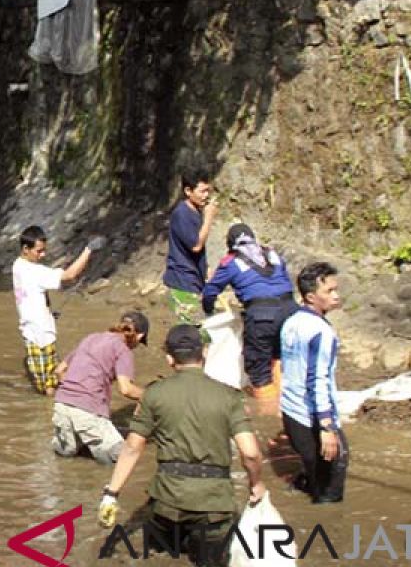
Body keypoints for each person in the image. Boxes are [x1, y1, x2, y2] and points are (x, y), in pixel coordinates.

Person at [97, 324, 267, 566]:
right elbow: (250, 454)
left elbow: (133, 448)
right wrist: (256, 484)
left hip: (166, 502)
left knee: (161, 557)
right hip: (214, 505)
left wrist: (111, 494)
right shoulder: (230, 397)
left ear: (169, 358)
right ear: (204, 352)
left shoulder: (153, 395)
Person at [200, 223, 297, 397]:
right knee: (283, 357)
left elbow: (210, 291)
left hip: (262, 315)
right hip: (291, 311)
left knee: (258, 365)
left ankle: (268, 411)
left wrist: (208, 311)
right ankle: (287, 400)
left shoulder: (230, 262)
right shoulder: (272, 253)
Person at [280, 261, 347, 504]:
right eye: (329, 291)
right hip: (311, 415)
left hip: (290, 411)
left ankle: (304, 483)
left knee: (313, 468)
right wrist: (327, 427)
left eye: (335, 289)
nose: (336, 296)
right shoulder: (321, 331)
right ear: (311, 296)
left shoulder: (291, 322)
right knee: (330, 489)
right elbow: (316, 380)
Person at [12, 226, 101, 395]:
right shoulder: (34, 271)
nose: (43, 255)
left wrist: (47, 313)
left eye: (44, 250)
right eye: (39, 251)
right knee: (47, 387)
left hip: (35, 330)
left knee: (53, 378)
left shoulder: (18, 265)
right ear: (25, 249)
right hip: (39, 336)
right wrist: (88, 250)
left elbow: (33, 294)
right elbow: (69, 275)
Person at [52, 311, 149, 464]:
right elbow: (126, 389)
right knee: (122, 458)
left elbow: (59, 370)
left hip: (61, 406)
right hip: (87, 411)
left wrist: (73, 392)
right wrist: (150, 395)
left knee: (65, 456)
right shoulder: (123, 350)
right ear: (139, 336)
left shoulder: (92, 338)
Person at [162, 168, 217, 324]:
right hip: (183, 280)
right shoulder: (182, 213)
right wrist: (209, 218)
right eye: (202, 191)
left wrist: (206, 268)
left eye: (208, 191)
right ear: (188, 191)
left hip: (194, 279)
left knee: (200, 327)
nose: (206, 196)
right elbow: (195, 246)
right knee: (195, 330)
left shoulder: (194, 212)